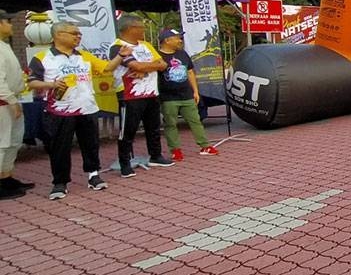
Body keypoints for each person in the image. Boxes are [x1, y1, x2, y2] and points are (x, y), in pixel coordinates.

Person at [27, 21, 131, 200]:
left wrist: (120, 56)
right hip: (59, 111)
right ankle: (60, 182)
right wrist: (51, 84)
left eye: (79, 34)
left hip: (87, 108)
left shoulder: (83, 56)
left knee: (90, 144)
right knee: (60, 148)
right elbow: (31, 82)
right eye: (74, 33)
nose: (78, 37)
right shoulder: (42, 57)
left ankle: (93, 175)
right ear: (59, 35)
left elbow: (106, 67)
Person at [110, 15, 173, 177]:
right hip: (129, 95)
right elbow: (135, 65)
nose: (144, 30)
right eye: (141, 27)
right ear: (131, 28)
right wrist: (150, 66)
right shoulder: (118, 46)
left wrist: (145, 68)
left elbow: (163, 64)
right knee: (128, 130)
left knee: (153, 127)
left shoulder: (146, 45)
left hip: (151, 93)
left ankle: (156, 155)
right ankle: (125, 163)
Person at [157, 28, 220, 159]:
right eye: (177, 38)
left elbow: (190, 72)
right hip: (168, 97)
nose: (180, 40)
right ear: (167, 41)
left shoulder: (182, 54)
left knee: (195, 120)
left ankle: (205, 145)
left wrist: (195, 91)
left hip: (186, 95)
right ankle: (175, 150)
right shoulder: (157, 56)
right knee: (170, 123)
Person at [0, 12, 33, 199]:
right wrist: (11, 101)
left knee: (13, 142)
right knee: (1, 144)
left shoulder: (4, 45)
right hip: (3, 103)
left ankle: (6, 177)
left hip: (11, 100)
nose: (11, 26)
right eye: (7, 22)